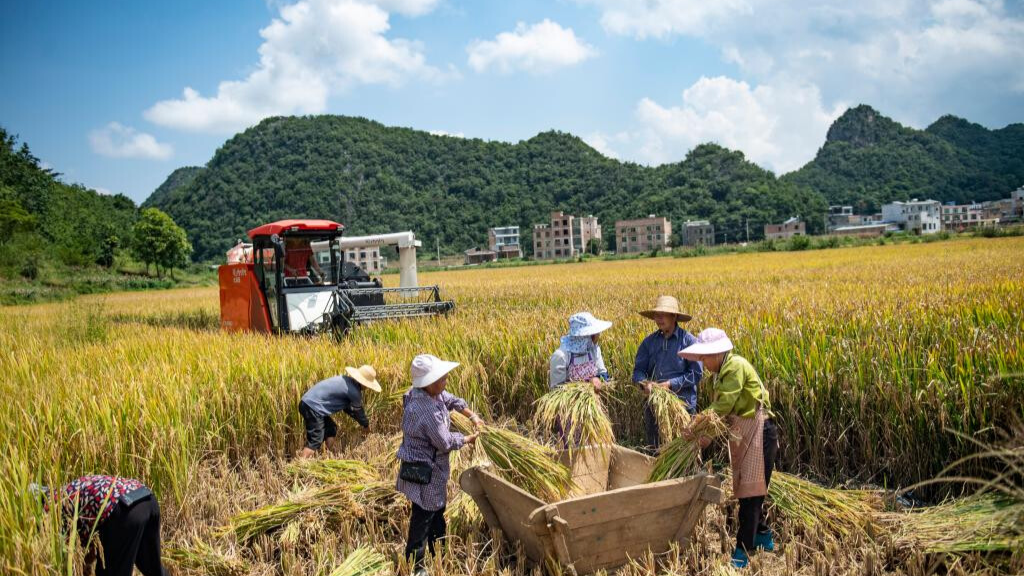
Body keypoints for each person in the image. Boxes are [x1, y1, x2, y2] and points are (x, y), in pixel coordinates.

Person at [679, 328, 779, 569]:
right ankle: (763, 536)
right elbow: (723, 414)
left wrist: (697, 424)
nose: (702, 362)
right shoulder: (720, 374)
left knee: (750, 494)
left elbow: (723, 405)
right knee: (748, 490)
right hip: (743, 433)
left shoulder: (734, 366)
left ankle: (743, 551)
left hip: (760, 432)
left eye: (705, 357)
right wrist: (707, 436)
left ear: (718, 352)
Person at [396, 354, 484, 576]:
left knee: (436, 510)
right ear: (428, 383)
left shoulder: (423, 393)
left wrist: (472, 415)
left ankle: (439, 552)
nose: (445, 382)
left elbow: (450, 399)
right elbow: (444, 442)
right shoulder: (427, 410)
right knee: (423, 515)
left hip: (430, 467)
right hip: (425, 469)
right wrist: (467, 439)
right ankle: (416, 565)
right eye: (441, 379)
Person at [32, 475, 168, 576]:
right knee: (153, 569)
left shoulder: (52, 511)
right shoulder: (68, 491)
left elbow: (74, 556)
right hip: (147, 498)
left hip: (123, 510)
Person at [631, 295, 703, 451]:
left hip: (683, 407)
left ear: (674, 316)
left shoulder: (689, 341)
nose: (659, 319)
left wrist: (670, 384)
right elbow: (638, 371)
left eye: (663, 314)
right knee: (656, 449)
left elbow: (696, 374)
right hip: (655, 405)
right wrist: (645, 383)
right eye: (657, 315)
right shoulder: (648, 343)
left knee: (684, 451)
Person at [297, 365, 381, 458]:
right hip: (313, 407)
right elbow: (358, 411)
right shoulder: (354, 392)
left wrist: (362, 422)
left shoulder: (346, 381)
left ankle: (328, 456)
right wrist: (365, 425)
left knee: (331, 428)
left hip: (308, 403)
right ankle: (300, 465)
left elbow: (348, 409)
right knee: (315, 440)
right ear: (364, 383)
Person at [548, 312, 612, 390]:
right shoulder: (561, 356)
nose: (599, 335)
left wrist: (598, 379)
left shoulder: (594, 349)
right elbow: (556, 389)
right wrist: (587, 384)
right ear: (588, 336)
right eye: (596, 333)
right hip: (569, 401)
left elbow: (603, 373)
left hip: (595, 399)